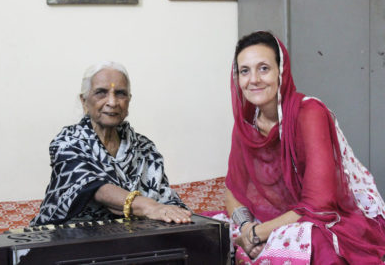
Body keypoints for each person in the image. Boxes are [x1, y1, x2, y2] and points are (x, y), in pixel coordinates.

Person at [225, 31, 385, 264]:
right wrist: (247, 227)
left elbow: (319, 205)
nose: (254, 80)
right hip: (269, 222)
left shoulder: (309, 113)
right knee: (214, 233)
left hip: (327, 217)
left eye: (264, 69)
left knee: (313, 239)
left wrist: (256, 234)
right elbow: (233, 190)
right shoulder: (246, 125)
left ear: (281, 72)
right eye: (245, 71)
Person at [31, 61, 191, 226]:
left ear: (129, 101)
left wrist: (175, 213)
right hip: (68, 238)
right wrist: (149, 207)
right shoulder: (67, 141)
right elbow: (93, 186)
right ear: (84, 101)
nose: (112, 102)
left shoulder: (145, 148)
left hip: (132, 239)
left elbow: (165, 198)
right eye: (101, 93)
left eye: (120, 93)